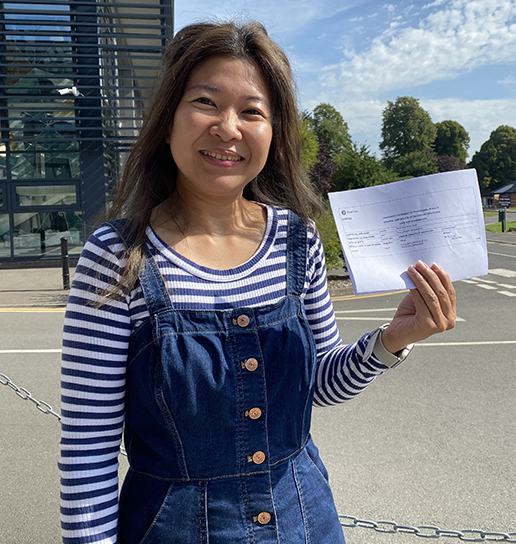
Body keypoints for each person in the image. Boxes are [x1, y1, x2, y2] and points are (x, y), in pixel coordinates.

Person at [59, 20, 456, 544]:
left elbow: (319, 385)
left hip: (305, 521)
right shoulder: (116, 257)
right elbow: (87, 450)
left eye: (252, 111)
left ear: (273, 131)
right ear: (168, 119)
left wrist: (393, 340)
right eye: (205, 102)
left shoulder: (297, 239)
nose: (228, 127)